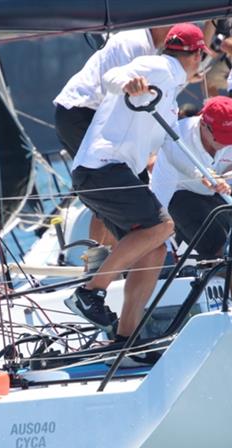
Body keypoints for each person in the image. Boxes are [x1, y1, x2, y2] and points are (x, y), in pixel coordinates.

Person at [65, 23, 207, 340]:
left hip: (109, 171)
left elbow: (170, 148)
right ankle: (90, 293)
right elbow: (111, 77)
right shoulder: (158, 66)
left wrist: (203, 178)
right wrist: (128, 81)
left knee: (154, 251)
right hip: (102, 167)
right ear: (197, 56)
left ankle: (125, 338)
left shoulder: (170, 88)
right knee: (163, 227)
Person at [54, 26, 174, 246]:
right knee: (112, 192)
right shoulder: (135, 43)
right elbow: (123, 98)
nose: (179, 29)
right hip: (81, 111)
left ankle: (115, 261)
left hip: (88, 115)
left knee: (117, 193)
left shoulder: (152, 51)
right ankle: (103, 262)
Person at [150, 96, 232, 306]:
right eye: (221, 136)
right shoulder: (177, 136)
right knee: (218, 245)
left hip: (216, 194)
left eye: (231, 136)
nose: (227, 142)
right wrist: (157, 231)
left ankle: (221, 301)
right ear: (203, 124)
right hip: (177, 194)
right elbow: (161, 189)